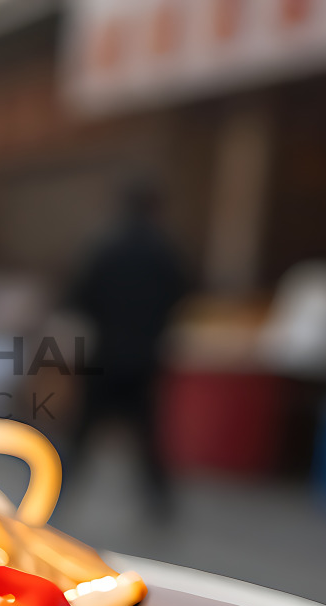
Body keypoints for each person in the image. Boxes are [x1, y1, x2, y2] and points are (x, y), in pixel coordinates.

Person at [65, 182, 190, 520]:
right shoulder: (165, 252)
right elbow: (182, 293)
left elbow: (79, 295)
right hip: (145, 356)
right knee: (149, 436)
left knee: (82, 433)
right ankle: (159, 506)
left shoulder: (106, 248)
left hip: (105, 354)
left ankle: (54, 495)